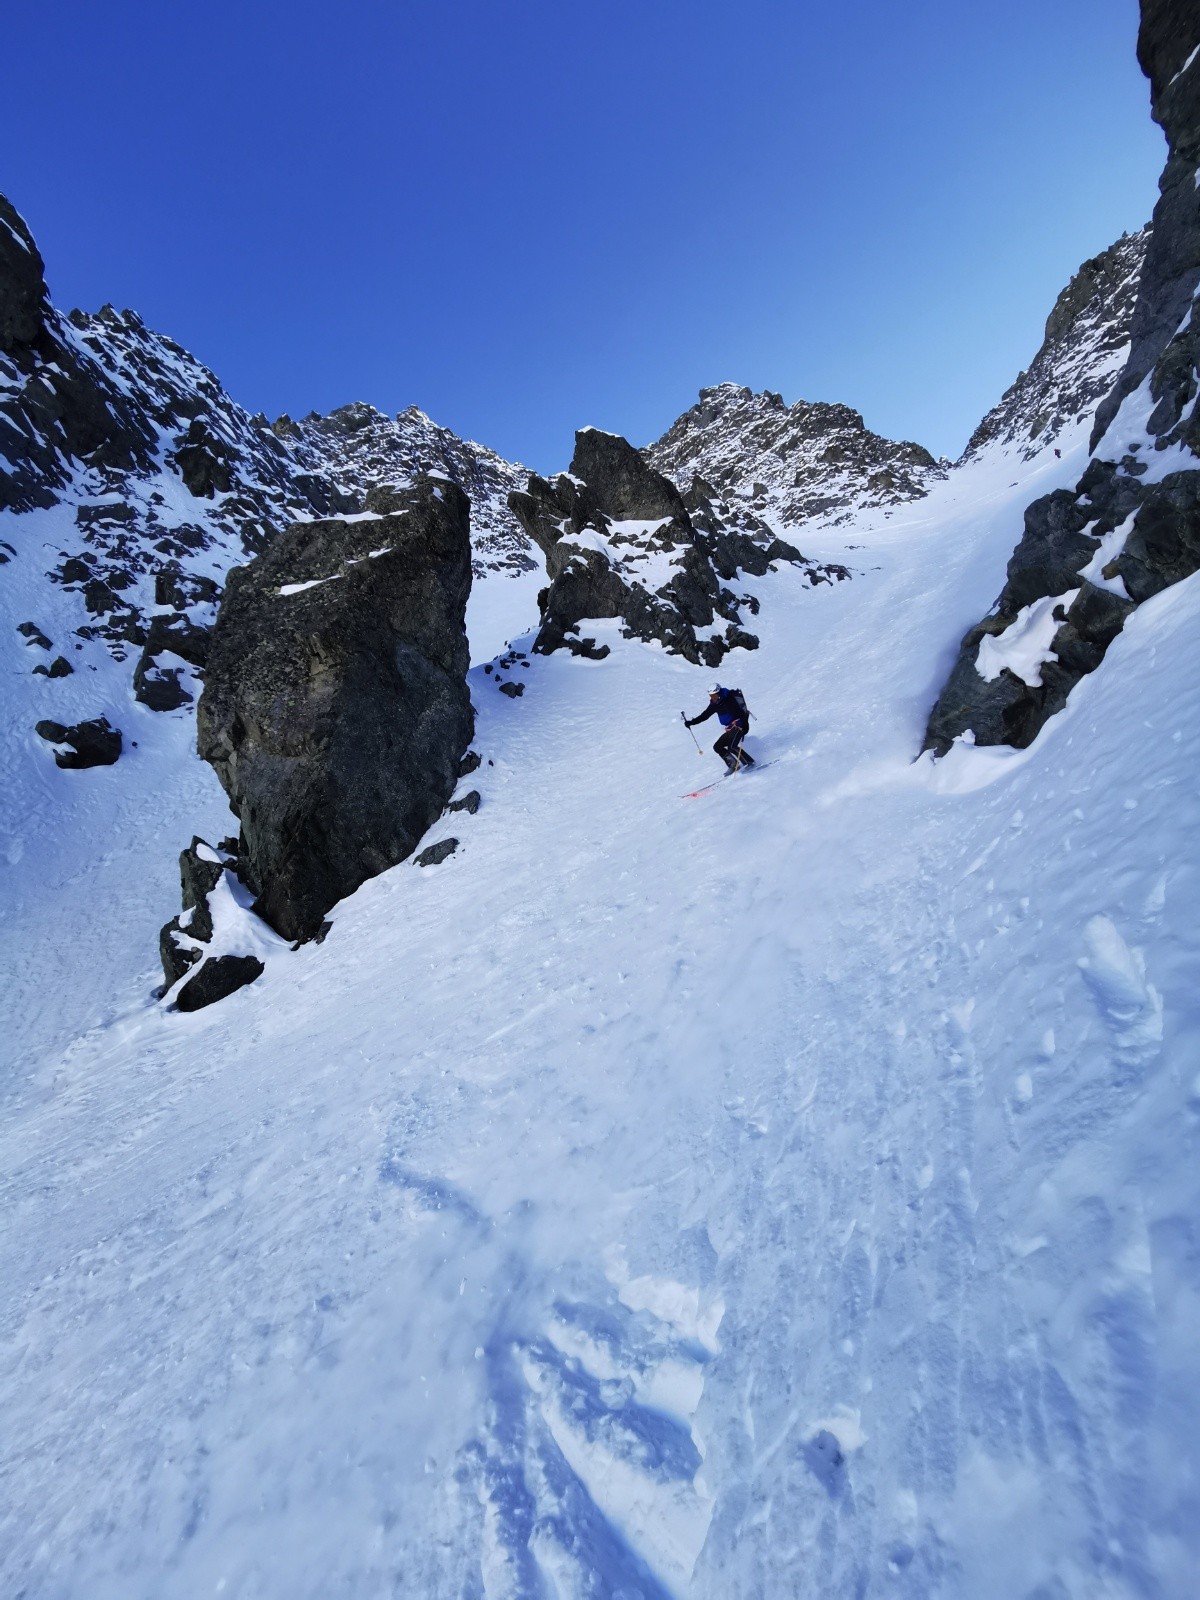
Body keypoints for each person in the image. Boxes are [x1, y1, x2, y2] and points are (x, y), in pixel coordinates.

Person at [685, 684, 755, 773]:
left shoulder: (729, 700)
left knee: (732, 747)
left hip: (740, 726)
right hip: (730, 729)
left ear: (719, 693)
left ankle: (750, 763)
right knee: (717, 746)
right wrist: (691, 722)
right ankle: (733, 765)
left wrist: (742, 725)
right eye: (711, 696)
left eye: (714, 695)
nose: (712, 697)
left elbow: (741, 713)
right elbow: (704, 715)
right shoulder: (715, 704)